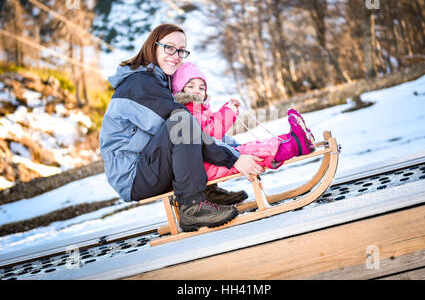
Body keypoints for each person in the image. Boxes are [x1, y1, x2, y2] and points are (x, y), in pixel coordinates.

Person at [99, 23, 264, 232]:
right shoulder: (139, 84)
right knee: (182, 121)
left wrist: (237, 148)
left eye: (181, 50)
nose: (176, 55)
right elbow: (184, 130)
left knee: (189, 123)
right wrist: (234, 159)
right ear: (153, 46)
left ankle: (205, 192)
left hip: (148, 164)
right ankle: (193, 208)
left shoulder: (158, 81)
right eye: (169, 48)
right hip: (133, 176)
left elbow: (193, 137)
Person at [171, 62, 316, 181]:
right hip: (206, 166)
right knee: (250, 153)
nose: (197, 91)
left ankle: (292, 138)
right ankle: (295, 145)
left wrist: (229, 109)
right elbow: (211, 134)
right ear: (180, 90)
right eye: (191, 86)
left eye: (201, 88)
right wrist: (227, 111)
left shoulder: (199, 109)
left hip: (214, 159)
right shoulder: (186, 112)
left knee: (251, 147)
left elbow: (214, 123)